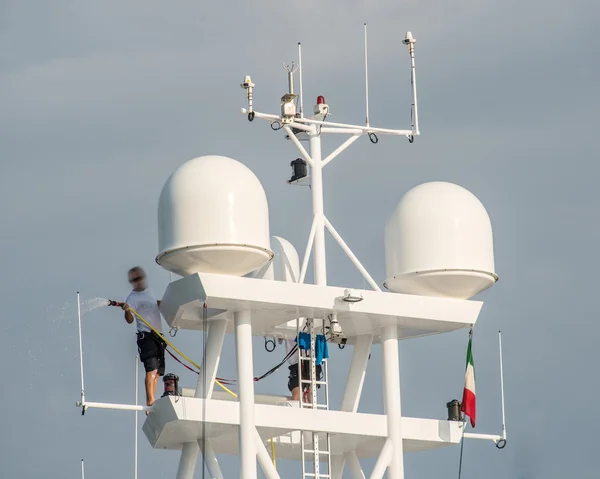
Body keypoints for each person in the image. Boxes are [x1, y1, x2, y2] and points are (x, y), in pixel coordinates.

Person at [121, 266, 165, 413]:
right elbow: (129, 320)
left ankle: (153, 398)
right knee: (151, 370)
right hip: (146, 335)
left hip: (159, 336)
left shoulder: (149, 292)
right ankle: (150, 402)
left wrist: (167, 304)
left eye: (138, 278)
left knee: (158, 372)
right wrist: (127, 310)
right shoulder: (132, 298)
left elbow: (153, 305)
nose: (137, 282)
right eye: (133, 280)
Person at [280, 338, 322, 402]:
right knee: (296, 397)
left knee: (311, 396)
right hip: (296, 364)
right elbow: (280, 337)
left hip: (312, 360)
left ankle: (310, 411)